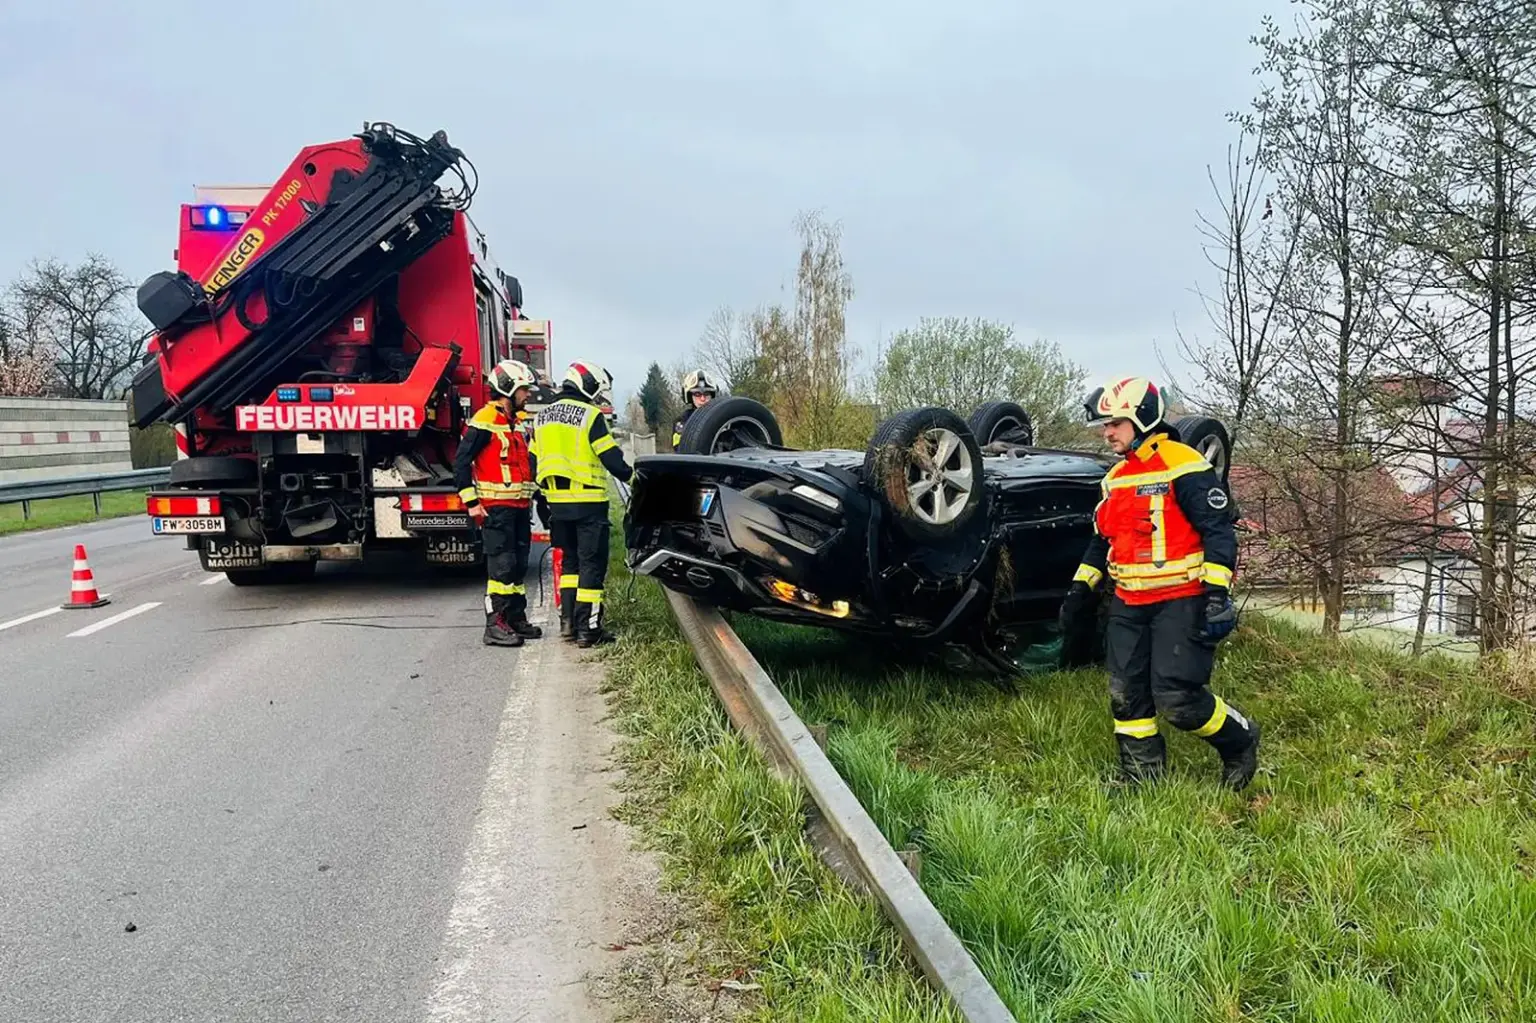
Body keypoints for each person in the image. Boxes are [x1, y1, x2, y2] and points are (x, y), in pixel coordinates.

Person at [1059, 375, 1260, 790]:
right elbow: (1102, 541)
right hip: (1128, 604)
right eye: (1105, 424)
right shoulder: (1115, 478)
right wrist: (1080, 589)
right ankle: (1142, 778)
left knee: (1178, 699)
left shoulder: (1184, 464)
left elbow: (1219, 532)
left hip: (1182, 600)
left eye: (1115, 423)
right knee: (1126, 694)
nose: (1107, 432)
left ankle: (1240, 741)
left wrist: (1217, 595)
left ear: (1142, 418)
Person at [530, 360, 634, 647]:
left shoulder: (542, 417)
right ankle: (589, 629)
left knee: (571, 563)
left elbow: (533, 461)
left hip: (557, 505)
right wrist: (635, 479)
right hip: (588, 504)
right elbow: (611, 459)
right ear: (588, 385)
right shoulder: (590, 415)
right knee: (591, 566)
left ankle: (568, 623)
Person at [455, 358, 543, 647]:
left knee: (517, 566)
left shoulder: (515, 423)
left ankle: (515, 618)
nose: (527, 395)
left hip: (519, 508)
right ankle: (495, 625)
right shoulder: (485, 420)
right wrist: (471, 502)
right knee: (502, 569)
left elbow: (523, 467)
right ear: (508, 389)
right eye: (524, 389)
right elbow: (462, 462)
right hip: (496, 509)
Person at [671, 369, 719, 450]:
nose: (702, 399)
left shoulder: (722, 417)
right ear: (690, 397)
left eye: (706, 394)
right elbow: (678, 448)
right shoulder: (682, 421)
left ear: (712, 395)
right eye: (697, 394)